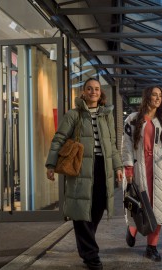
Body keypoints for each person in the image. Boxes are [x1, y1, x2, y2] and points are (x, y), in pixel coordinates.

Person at [45, 78, 123, 270]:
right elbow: (59, 139)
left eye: (96, 89)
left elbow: (112, 145)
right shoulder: (74, 114)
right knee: (80, 211)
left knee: (97, 207)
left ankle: (86, 245)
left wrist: (118, 167)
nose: (93, 92)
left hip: (102, 167)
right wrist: (51, 164)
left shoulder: (107, 115)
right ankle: (90, 255)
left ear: (100, 93)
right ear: (84, 92)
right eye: (89, 89)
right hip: (80, 167)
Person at [122, 86, 162, 262]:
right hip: (140, 170)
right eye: (154, 94)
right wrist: (128, 168)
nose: (158, 98)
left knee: (158, 210)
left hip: (161, 170)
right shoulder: (132, 119)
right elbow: (126, 146)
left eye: (160, 95)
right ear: (147, 97)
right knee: (138, 207)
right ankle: (132, 230)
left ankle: (151, 247)